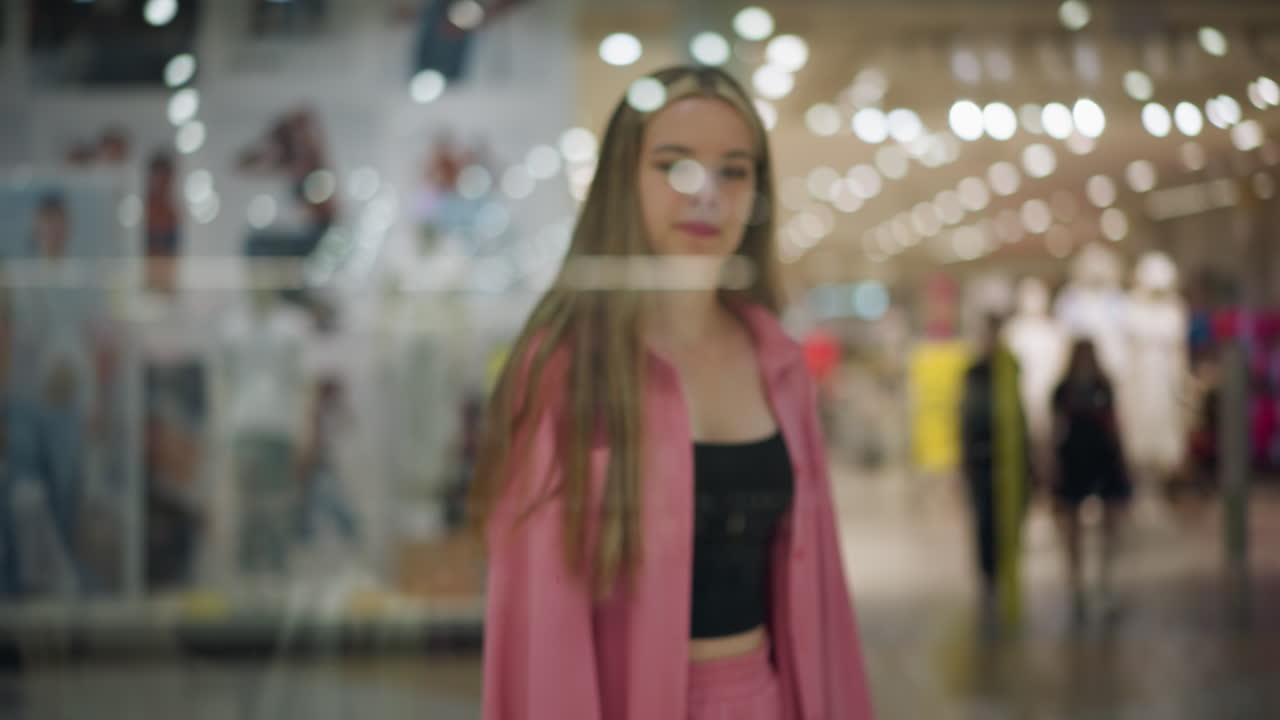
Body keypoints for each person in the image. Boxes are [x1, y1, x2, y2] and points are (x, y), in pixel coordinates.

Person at [467, 66, 874, 720]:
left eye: (734, 171)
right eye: (673, 165)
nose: (706, 194)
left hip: (762, 696)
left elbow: (817, 590)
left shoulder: (779, 364)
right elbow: (540, 622)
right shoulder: (567, 369)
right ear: (624, 182)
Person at [1051, 338, 1132, 617]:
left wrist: (1120, 458)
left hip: (1101, 456)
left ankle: (1105, 582)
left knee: (1109, 523)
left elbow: (1114, 423)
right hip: (1074, 458)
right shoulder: (1062, 390)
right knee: (1072, 525)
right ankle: (1078, 586)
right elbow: (1055, 428)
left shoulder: (1103, 386)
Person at [960, 314, 1033, 621]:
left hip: (1012, 462)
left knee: (1011, 524)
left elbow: (1020, 415)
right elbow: (966, 418)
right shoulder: (974, 373)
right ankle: (989, 581)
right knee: (985, 524)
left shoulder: (1010, 369)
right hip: (983, 460)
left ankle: (1007, 576)